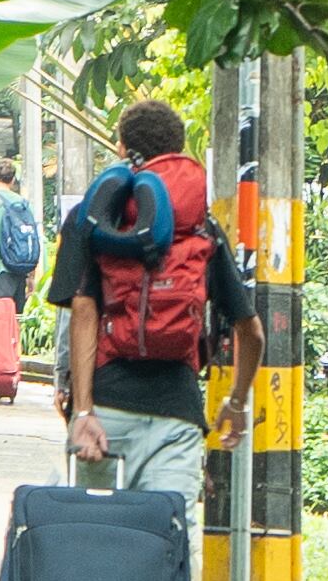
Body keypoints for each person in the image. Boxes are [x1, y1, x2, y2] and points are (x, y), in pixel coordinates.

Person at [47, 97, 256, 503]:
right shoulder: (201, 227)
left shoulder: (92, 217)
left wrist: (82, 410)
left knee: (97, 536)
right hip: (177, 414)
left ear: (123, 149)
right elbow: (252, 330)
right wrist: (236, 401)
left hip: (106, 413)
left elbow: (83, 313)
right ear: (178, 152)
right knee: (170, 535)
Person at [0, 156, 40, 298]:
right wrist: (31, 278)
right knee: (15, 319)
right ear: (13, 180)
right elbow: (31, 239)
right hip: (20, 270)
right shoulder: (24, 205)